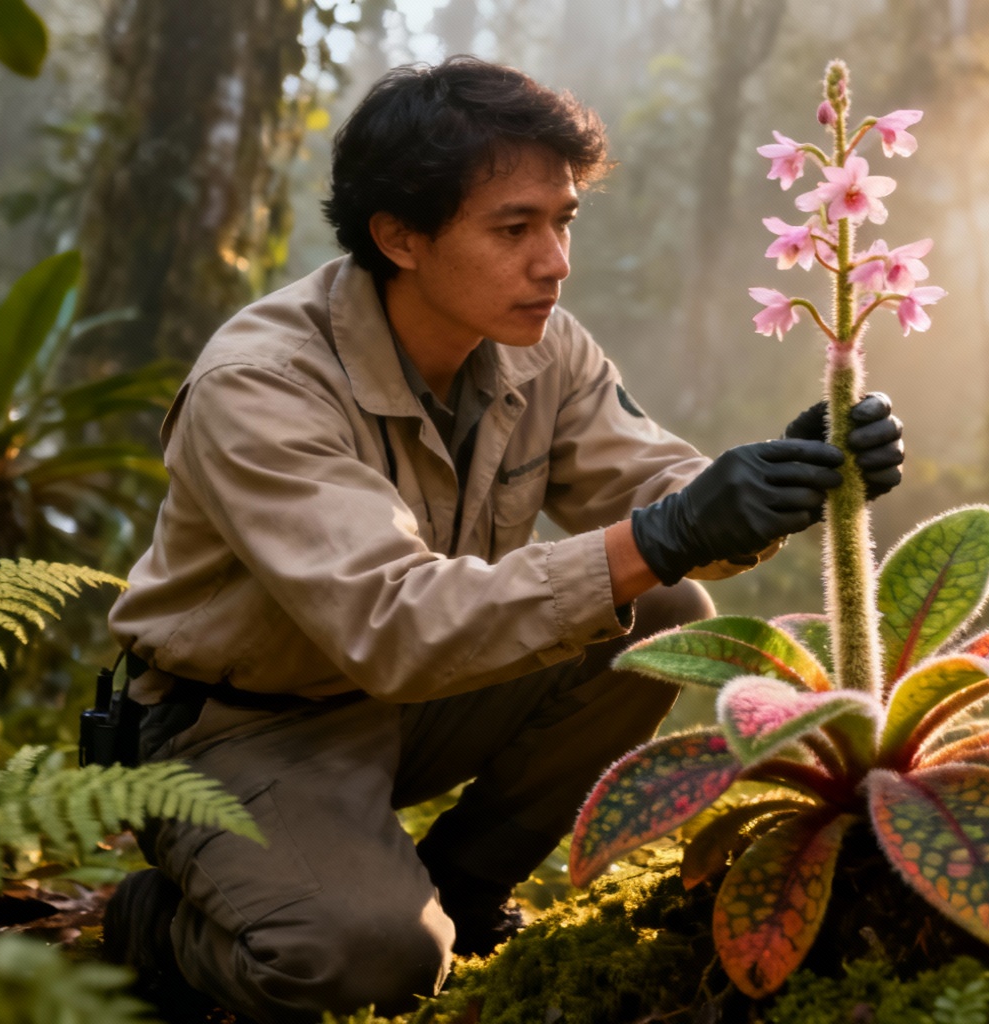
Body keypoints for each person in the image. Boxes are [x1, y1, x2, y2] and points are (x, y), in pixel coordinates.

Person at [99, 56, 903, 1023]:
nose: (555, 260)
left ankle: (462, 893)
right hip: (236, 726)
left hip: (407, 703)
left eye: (562, 221)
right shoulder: (262, 385)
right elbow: (392, 625)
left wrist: (784, 476)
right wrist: (672, 527)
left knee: (663, 609)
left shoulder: (538, 341)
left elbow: (657, 492)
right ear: (400, 236)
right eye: (514, 228)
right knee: (366, 962)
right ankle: (156, 926)